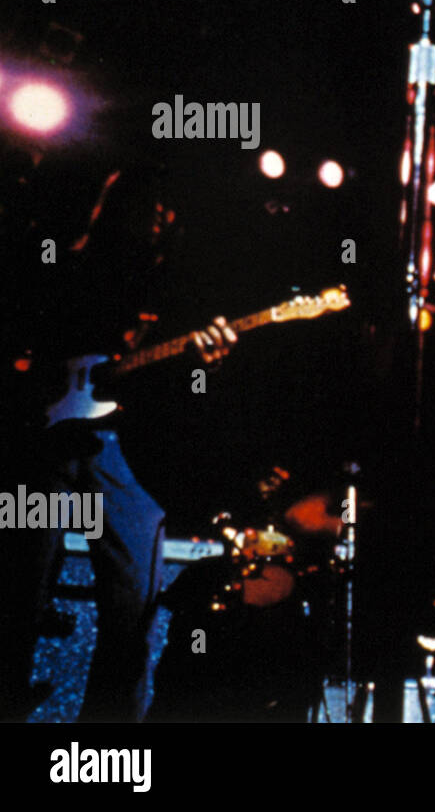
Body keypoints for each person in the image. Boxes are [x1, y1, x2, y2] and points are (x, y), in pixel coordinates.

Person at [0, 138, 236, 722]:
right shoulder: (63, 263)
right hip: (48, 440)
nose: (156, 218)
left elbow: (187, 386)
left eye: (163, 210)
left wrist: (205, 362)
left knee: (132, 605)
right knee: (15, 590)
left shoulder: (176, 284)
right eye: (143, 205)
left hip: (129, 450)